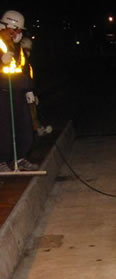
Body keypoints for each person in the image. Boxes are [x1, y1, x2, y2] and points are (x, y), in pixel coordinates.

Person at [0, 10, 38, 172]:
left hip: (18, 91)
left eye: (19, 31)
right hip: (2, 92)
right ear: (6, 26)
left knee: (24, 125)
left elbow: (25, 69)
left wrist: (29, 89)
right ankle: (2, 161)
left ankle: (20, 158)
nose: (18, 33)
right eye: (15, 30)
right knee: (4, 128)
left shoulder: (18, 48)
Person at [20, 36, 52, 137]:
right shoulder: (20, 62)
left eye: (29, 50)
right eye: (26, 50)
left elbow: (30, 79)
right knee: (29, 111)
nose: (28, 53)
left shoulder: (28, 64)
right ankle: (36, 129)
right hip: (22, 91)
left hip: (29, 90)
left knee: (33, 109)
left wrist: (34, 93)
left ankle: (37, 127)